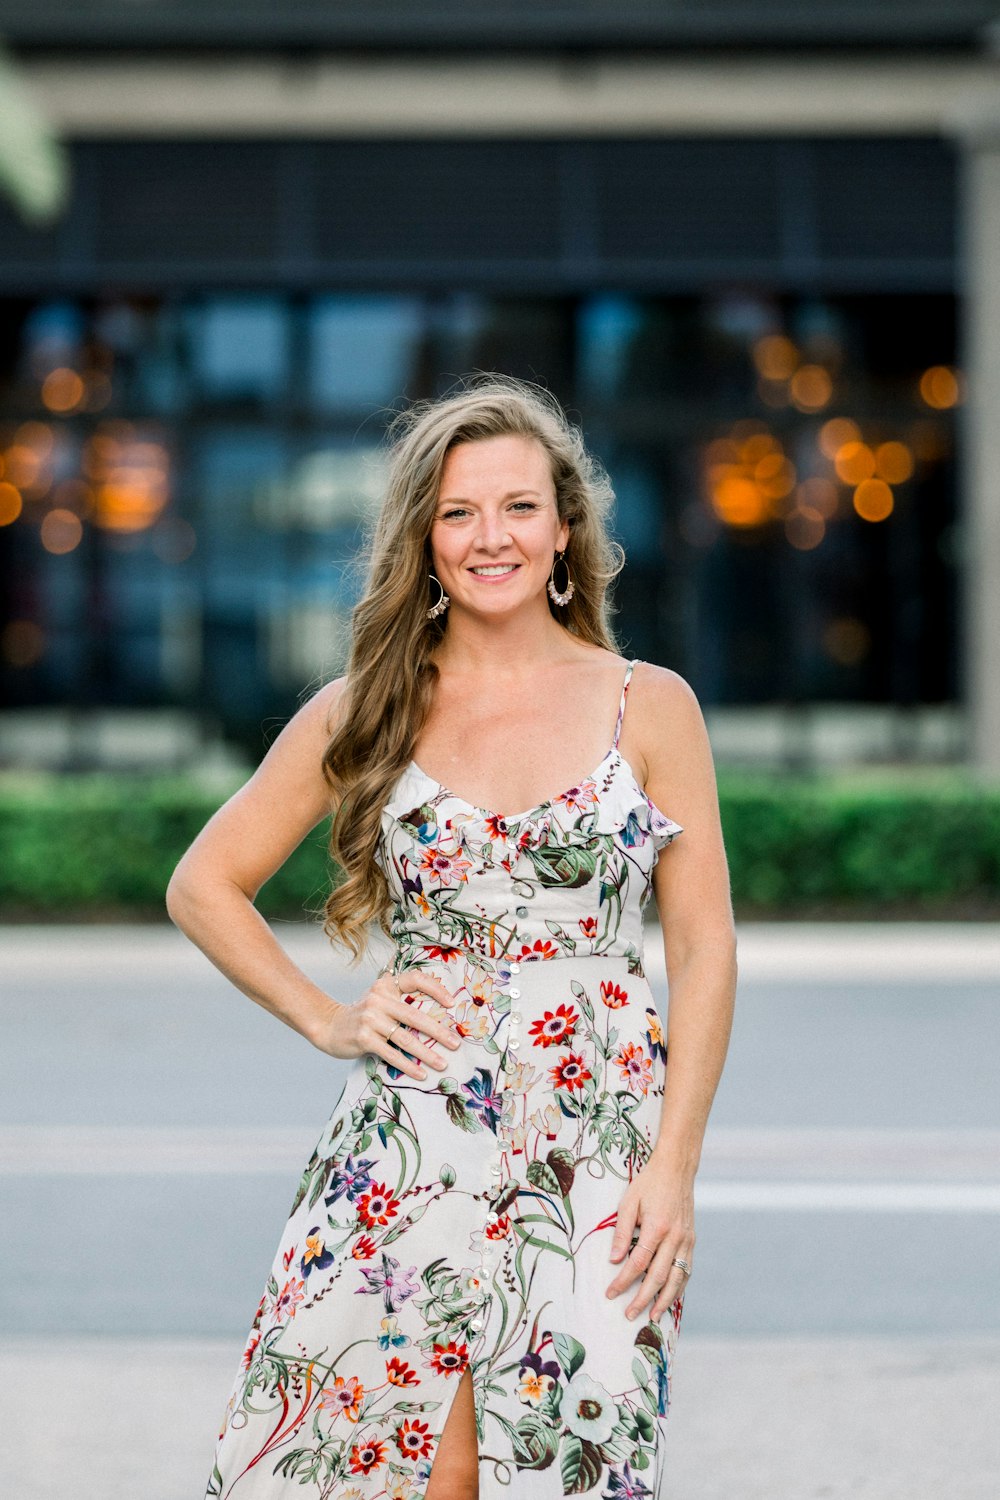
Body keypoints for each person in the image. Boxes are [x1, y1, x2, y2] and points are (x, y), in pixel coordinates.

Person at [166, 373, 737, 1500]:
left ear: (565, 528)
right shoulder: (364, 708)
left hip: (595, 1146)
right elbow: (203, 885)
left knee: (571, 1454)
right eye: (460, 512)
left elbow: (704, 948)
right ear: (423, 539)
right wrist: (329, 1017)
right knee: (412, 1465)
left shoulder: (650, 704)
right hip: (406, 1141)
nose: (492, 538)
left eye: (519, 507)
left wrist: (672, 1171)